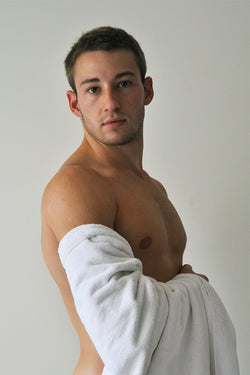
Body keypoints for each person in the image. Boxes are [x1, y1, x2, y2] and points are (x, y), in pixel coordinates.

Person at [41, 26, 208, 375]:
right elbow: (121, 322)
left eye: (123, 83)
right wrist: (192, 290)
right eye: (93, 89)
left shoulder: (153, 188)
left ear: (147, 90)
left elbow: (165, 292)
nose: (111, 103)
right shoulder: (77, 185)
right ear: (75, 103)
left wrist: (188, 291)